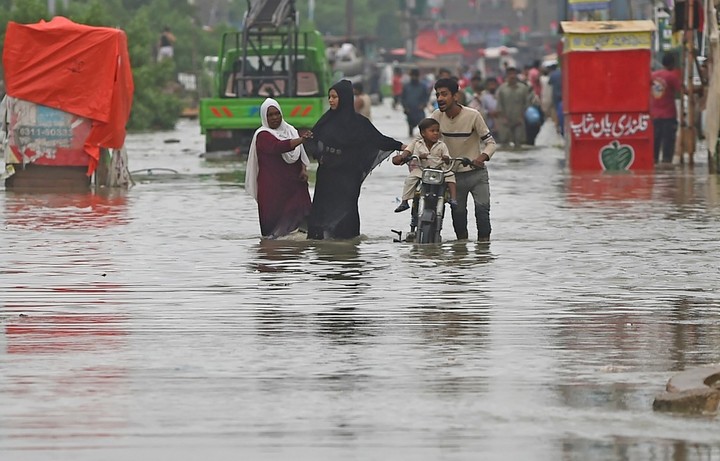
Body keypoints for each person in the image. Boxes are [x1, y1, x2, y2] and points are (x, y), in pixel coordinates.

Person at [306, 80, 405, 240]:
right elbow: (311, 139)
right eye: (329, 97)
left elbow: (378, 139)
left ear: (344, 98)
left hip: (349, 174)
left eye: (334, 97)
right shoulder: (326, 120)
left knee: (347, 209)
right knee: (323, 208)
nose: (330, 100)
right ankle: (322, 243)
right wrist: (318, 155)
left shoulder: (360, 123)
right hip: (327, 173)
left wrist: (401, 146)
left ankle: (347, 243)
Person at [408, 78, 497, 241]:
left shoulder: (473, 115)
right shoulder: (436, 116)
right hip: (452, 176)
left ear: (456, 96)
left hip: (476, 174)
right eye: (437, 95)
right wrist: (405, 153)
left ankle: (483, 251)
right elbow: (420, 139)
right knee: (458, 217)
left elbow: (490, 143)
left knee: (482, 214)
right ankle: (461, 251)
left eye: (444, 94)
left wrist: (481, 157)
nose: (440, 98)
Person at [245, 98, 312, 239]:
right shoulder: (262, 135)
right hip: (273, 190)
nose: (274, 117)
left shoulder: (291, 130)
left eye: (277, 114)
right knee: (274, 235)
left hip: (294, 186)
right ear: (264, 117)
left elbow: (301, 154)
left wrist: (303, 170)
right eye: (270, 115)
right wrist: (301, 140)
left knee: (303, 225)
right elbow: (278, 147)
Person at [392, 117, 457, 213]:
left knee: (451, 176)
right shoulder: (417, 144)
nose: (435, 133)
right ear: (423, 133)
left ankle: (453, 199)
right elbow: (413, 156)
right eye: (432, 131)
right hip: (422, 169)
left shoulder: (442, 145)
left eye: (437, 131)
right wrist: (419, 157)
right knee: (410, 179)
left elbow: (448, 159)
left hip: (439, 169)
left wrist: (446, 158)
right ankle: (404, 201)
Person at [650, 53, 681, 164]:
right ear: (672, 64)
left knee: (655, 142)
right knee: (668, 144)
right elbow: (683, 91)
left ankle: (654, 162)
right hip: (669, 115)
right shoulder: (671, 76)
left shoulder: (653, 76)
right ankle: (666, 164)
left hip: (654, 115)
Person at [496, 66, 533, 147]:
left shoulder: (523, 88)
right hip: (505, 120)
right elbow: (499, 105)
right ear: (507, 75)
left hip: (519, 119)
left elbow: (527, 103)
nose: (512, 76)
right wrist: (503, 118)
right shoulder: (502, 89)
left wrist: (522, 116)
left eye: (513, 74)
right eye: (510, 74)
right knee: (505, 142)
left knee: (519, 141)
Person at [401, 68, 430, 138]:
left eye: (415, 76)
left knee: (423, 126)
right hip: (409, 110)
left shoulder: (422, 86)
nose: (414, 78)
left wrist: (423, 104)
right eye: (412, 76)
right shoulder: (406, 86)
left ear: (418, 76)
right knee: (410, 125)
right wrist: (405, 107)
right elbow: (403, 98)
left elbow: (426, 97)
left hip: (419, 110)